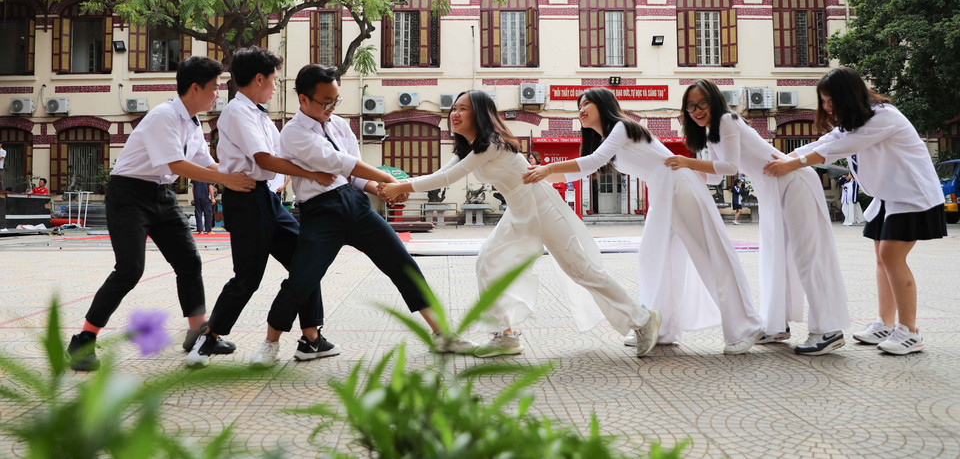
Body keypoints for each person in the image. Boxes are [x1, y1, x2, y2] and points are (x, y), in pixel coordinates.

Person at [380, 90, 662, 358]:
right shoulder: (468, 147)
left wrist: (401, 186)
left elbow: (447, 180)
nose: (454, 113)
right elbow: (443, 173)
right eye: (454, 108)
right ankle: (506, 335)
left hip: (541, 205)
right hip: (519, 209)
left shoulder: (490, 144)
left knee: (581, 270)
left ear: (479, 114)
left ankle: (642, 318)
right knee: (487, 262)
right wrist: (400, 184)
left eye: (462, 108)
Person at [253, 64, 475, 366]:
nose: (331, 107)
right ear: (303, 100)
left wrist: (379, 188)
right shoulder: (292, 134)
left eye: (336, 100)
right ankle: (271, 342)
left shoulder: (340, 126)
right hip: (320, 214)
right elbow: (340, 162)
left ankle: (443, 335)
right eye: (325, 102)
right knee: (302, 278)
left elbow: (354, 175)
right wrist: (392, 180)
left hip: (355, 205)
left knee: (402, 263)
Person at [522, 88, 762, 354]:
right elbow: (589, 167)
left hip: (678, 185)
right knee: (655, 259)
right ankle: (662, 328)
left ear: (603, 105)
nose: (581, 108)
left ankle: (746, 327)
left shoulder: (623, 127)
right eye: (578, 104)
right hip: (663, 190)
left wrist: (548, 168)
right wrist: (538, 176)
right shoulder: (607, 140)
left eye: (587, 103)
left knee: (710, 254)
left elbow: (593, 161)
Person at [67, 56, 257, 371]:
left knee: (189, 261)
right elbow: (177, 165)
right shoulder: (164, 116)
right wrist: (226, 179)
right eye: (214, 88)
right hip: (128, 194)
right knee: (129, 270)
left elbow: (205, 162)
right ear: (195, 88)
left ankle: (197, 333)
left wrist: (241, 175)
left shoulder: (194, 123)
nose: (217, 95)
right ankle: (83, 341)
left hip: (161, 195)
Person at [763, 66, 946, 355]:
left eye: (831, 100)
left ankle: (910, 331)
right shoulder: (857, 121)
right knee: (881, 259)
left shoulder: (883, 117)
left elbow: (841, 147)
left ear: (848, 96)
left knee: (890, 256)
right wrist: (783, 157)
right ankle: (885, 324)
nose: (827, 107)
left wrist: (792, 164)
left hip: (912, 195)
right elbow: (828, 142)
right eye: (823, 101)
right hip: (888, 196)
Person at [667, 78, 850, 355]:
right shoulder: (712, 131)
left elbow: (729, 167)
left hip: (793, 181)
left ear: (714, 100)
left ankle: (828, 330)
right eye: (691, 106)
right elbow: (716, 176)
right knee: (777, 257)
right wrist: (682, 173)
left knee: (806, 255)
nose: (697, 110)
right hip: (773, 189)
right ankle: (776, 326)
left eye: (702, 103)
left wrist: (687, 162)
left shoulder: (727, 120)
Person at [187, 47, 338, 367]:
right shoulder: (237, 113)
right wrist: (311, 173)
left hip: (266, 198)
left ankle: (311, 337)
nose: (275, 86)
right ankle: (208, 339)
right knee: (248, 277)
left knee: (306, 261)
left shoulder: (258, 113)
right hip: (246, 200)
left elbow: (281, 154)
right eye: (273, 80)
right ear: (258, 79)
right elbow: (264, 159)